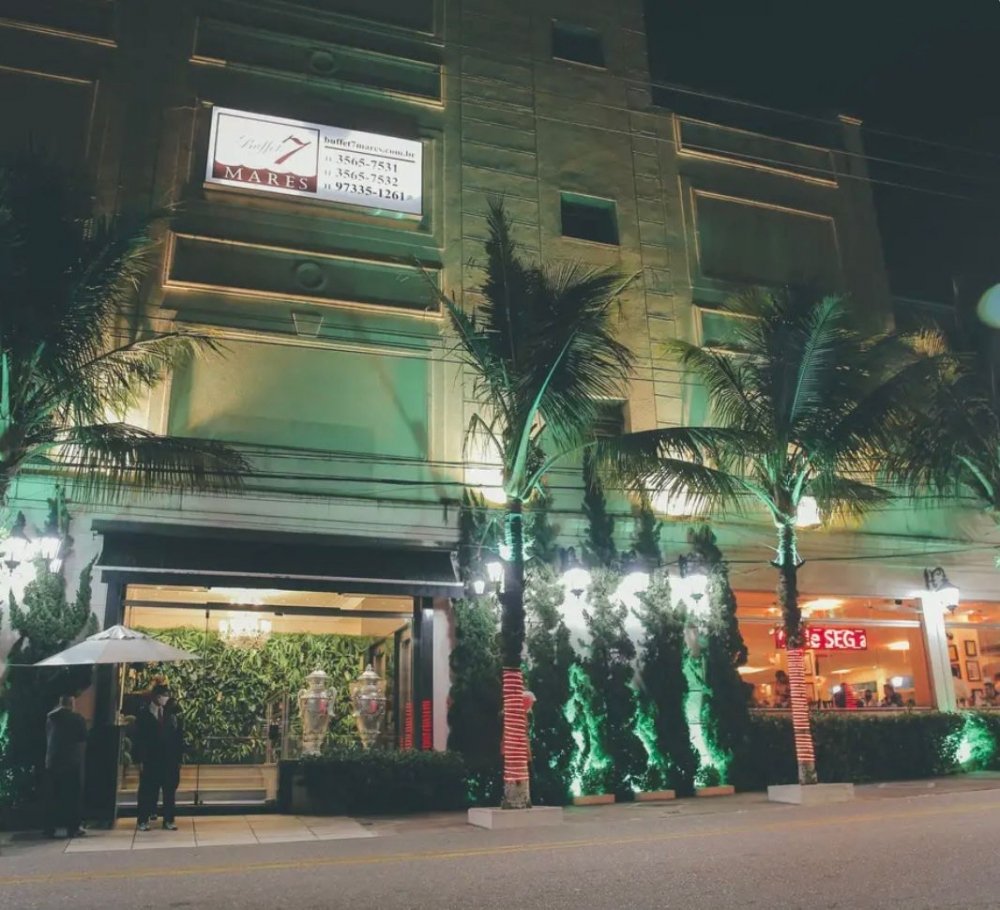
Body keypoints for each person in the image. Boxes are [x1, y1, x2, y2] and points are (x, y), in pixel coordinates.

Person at [133, 684, 184, 831]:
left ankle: (169, 820)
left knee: (169, 791)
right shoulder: (144, 714)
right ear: (156, 696)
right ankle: (143, 819)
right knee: (147, 790)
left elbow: (177, 737)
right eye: (163, 695)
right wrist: (140, 759)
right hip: (151, 758)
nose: (165, 698)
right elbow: (139, 738)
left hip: (168, 758)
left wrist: (178, 758)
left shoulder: (171, 714)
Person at [43, 695, 88, 839]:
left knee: (53, 795)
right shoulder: (77, 719)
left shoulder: (50, 717)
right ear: (72, 703)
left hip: (52, 760)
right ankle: (73, 828)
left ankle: (49, 828)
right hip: (70, 761)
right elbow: (83, 738)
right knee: (72, 796)